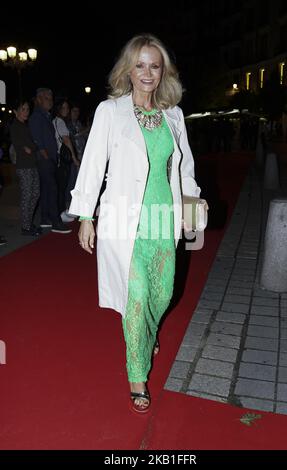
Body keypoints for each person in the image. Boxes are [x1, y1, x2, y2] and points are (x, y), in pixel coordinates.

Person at [69, 34, 201, 414]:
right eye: (140, 65)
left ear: (163, 72)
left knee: (162, 296)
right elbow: (93, 164)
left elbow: (184, 167)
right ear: (128, 69)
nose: (147, 73)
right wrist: (85, 216)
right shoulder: (111, 112)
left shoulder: (173, 116)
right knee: (137, 297)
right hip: (123, 222)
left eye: (154, 66)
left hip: (163, 218)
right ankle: (137, 373)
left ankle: (149, 331)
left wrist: (191, 204)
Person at [29, 88, 72, 234]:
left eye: (51, 98)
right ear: (39, 99)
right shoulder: (37, 116)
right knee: (52, 189)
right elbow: (36, 137)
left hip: (50, 158)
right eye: (47, 98)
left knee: (47, 190)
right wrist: (44, 153)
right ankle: (55, 221)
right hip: (44, 159)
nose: (50, 101)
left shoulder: (46, 116)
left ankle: (45, 219)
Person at [9, 99, 41, 236]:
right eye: (23, 109)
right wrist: (31, 146)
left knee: (35, 194)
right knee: (27, 196)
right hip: (24, 166)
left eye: (27, 109)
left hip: (32, 165)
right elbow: (26, 147)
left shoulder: (25, 126)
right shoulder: (15, 126)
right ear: (16, 111)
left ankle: (28, 223)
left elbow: (33, 146)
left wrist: (32, 146)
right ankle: (26, 227)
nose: (26, 112)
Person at [52, 99, 80, 218]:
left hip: (58, 157)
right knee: (63, 186)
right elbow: (66, 140)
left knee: (62, 186)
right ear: (58, 109)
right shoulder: (60, 122)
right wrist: (74, 157)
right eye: (63, 108)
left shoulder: (55, 121)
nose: (66, 110)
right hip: (62, 158)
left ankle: (63, 211)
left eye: (67, 108)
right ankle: (62, 212)